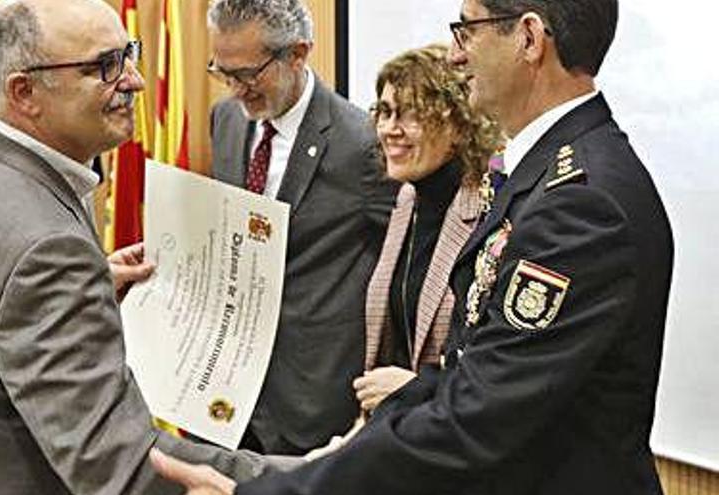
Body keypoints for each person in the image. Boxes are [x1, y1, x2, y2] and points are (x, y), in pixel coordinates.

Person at [152, 0, 675, 493]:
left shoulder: (579, 202)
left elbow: (478, 414)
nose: (454, 53)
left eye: (466, 29)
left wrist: (284, 489)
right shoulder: (544, 174)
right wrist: (349, 447)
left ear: (530, 37)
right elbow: (467, 370)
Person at [0, 1, 278, 492]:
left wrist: (88, 284)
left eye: (129, 55)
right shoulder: (47, 249)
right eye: (104, 66)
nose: (135, 81)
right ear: (25, 92)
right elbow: (124, 467)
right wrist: (311, 475)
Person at [207, 0, 398, 455]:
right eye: (223, 72)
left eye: (249, 74)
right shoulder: (227, 120)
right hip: (230, 396)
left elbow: (406, 266)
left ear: (298, 53)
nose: (236, 90)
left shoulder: (363, 142)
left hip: (313, 401)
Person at [353, 44, 501, 414]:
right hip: (398, 433)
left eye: (410, 115)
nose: (389, 129)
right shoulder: (407, 199)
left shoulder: (492, 211)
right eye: (384, 112)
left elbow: (496, 372)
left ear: (458, 124)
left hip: (451, 435)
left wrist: (416, 389)